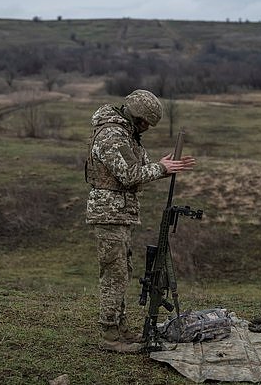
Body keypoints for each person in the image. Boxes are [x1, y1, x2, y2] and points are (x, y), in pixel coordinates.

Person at [85, 89, 196, 353]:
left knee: (122, 272)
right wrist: (162, 169)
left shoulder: (128, 134)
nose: (146, 128)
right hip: (109, 213)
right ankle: (110, 335)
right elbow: (130, 174)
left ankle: (120, 328)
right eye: (145, 122)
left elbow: (142, 167)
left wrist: (163, 165)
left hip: (119, 213)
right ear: (135, 115)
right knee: (114, 274)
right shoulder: (112, 135)